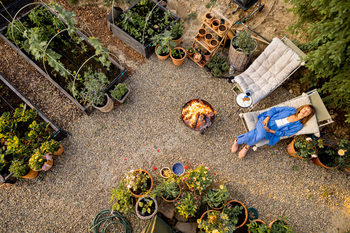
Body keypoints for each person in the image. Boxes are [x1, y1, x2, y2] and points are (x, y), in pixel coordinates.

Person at [232, 105, 316, 158]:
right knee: (260, 135)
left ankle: (238, 141)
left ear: (308, 115)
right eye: (305, 108)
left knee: (257, 134)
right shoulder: (291, 110)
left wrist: (270, 130)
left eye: (308, 111)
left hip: (272, 131)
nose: (305, 111)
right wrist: (267, 118)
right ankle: (246, 147)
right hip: (266, 121)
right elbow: (274, 110)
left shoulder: (298, 125)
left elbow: (284, 134)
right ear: (302, 108)